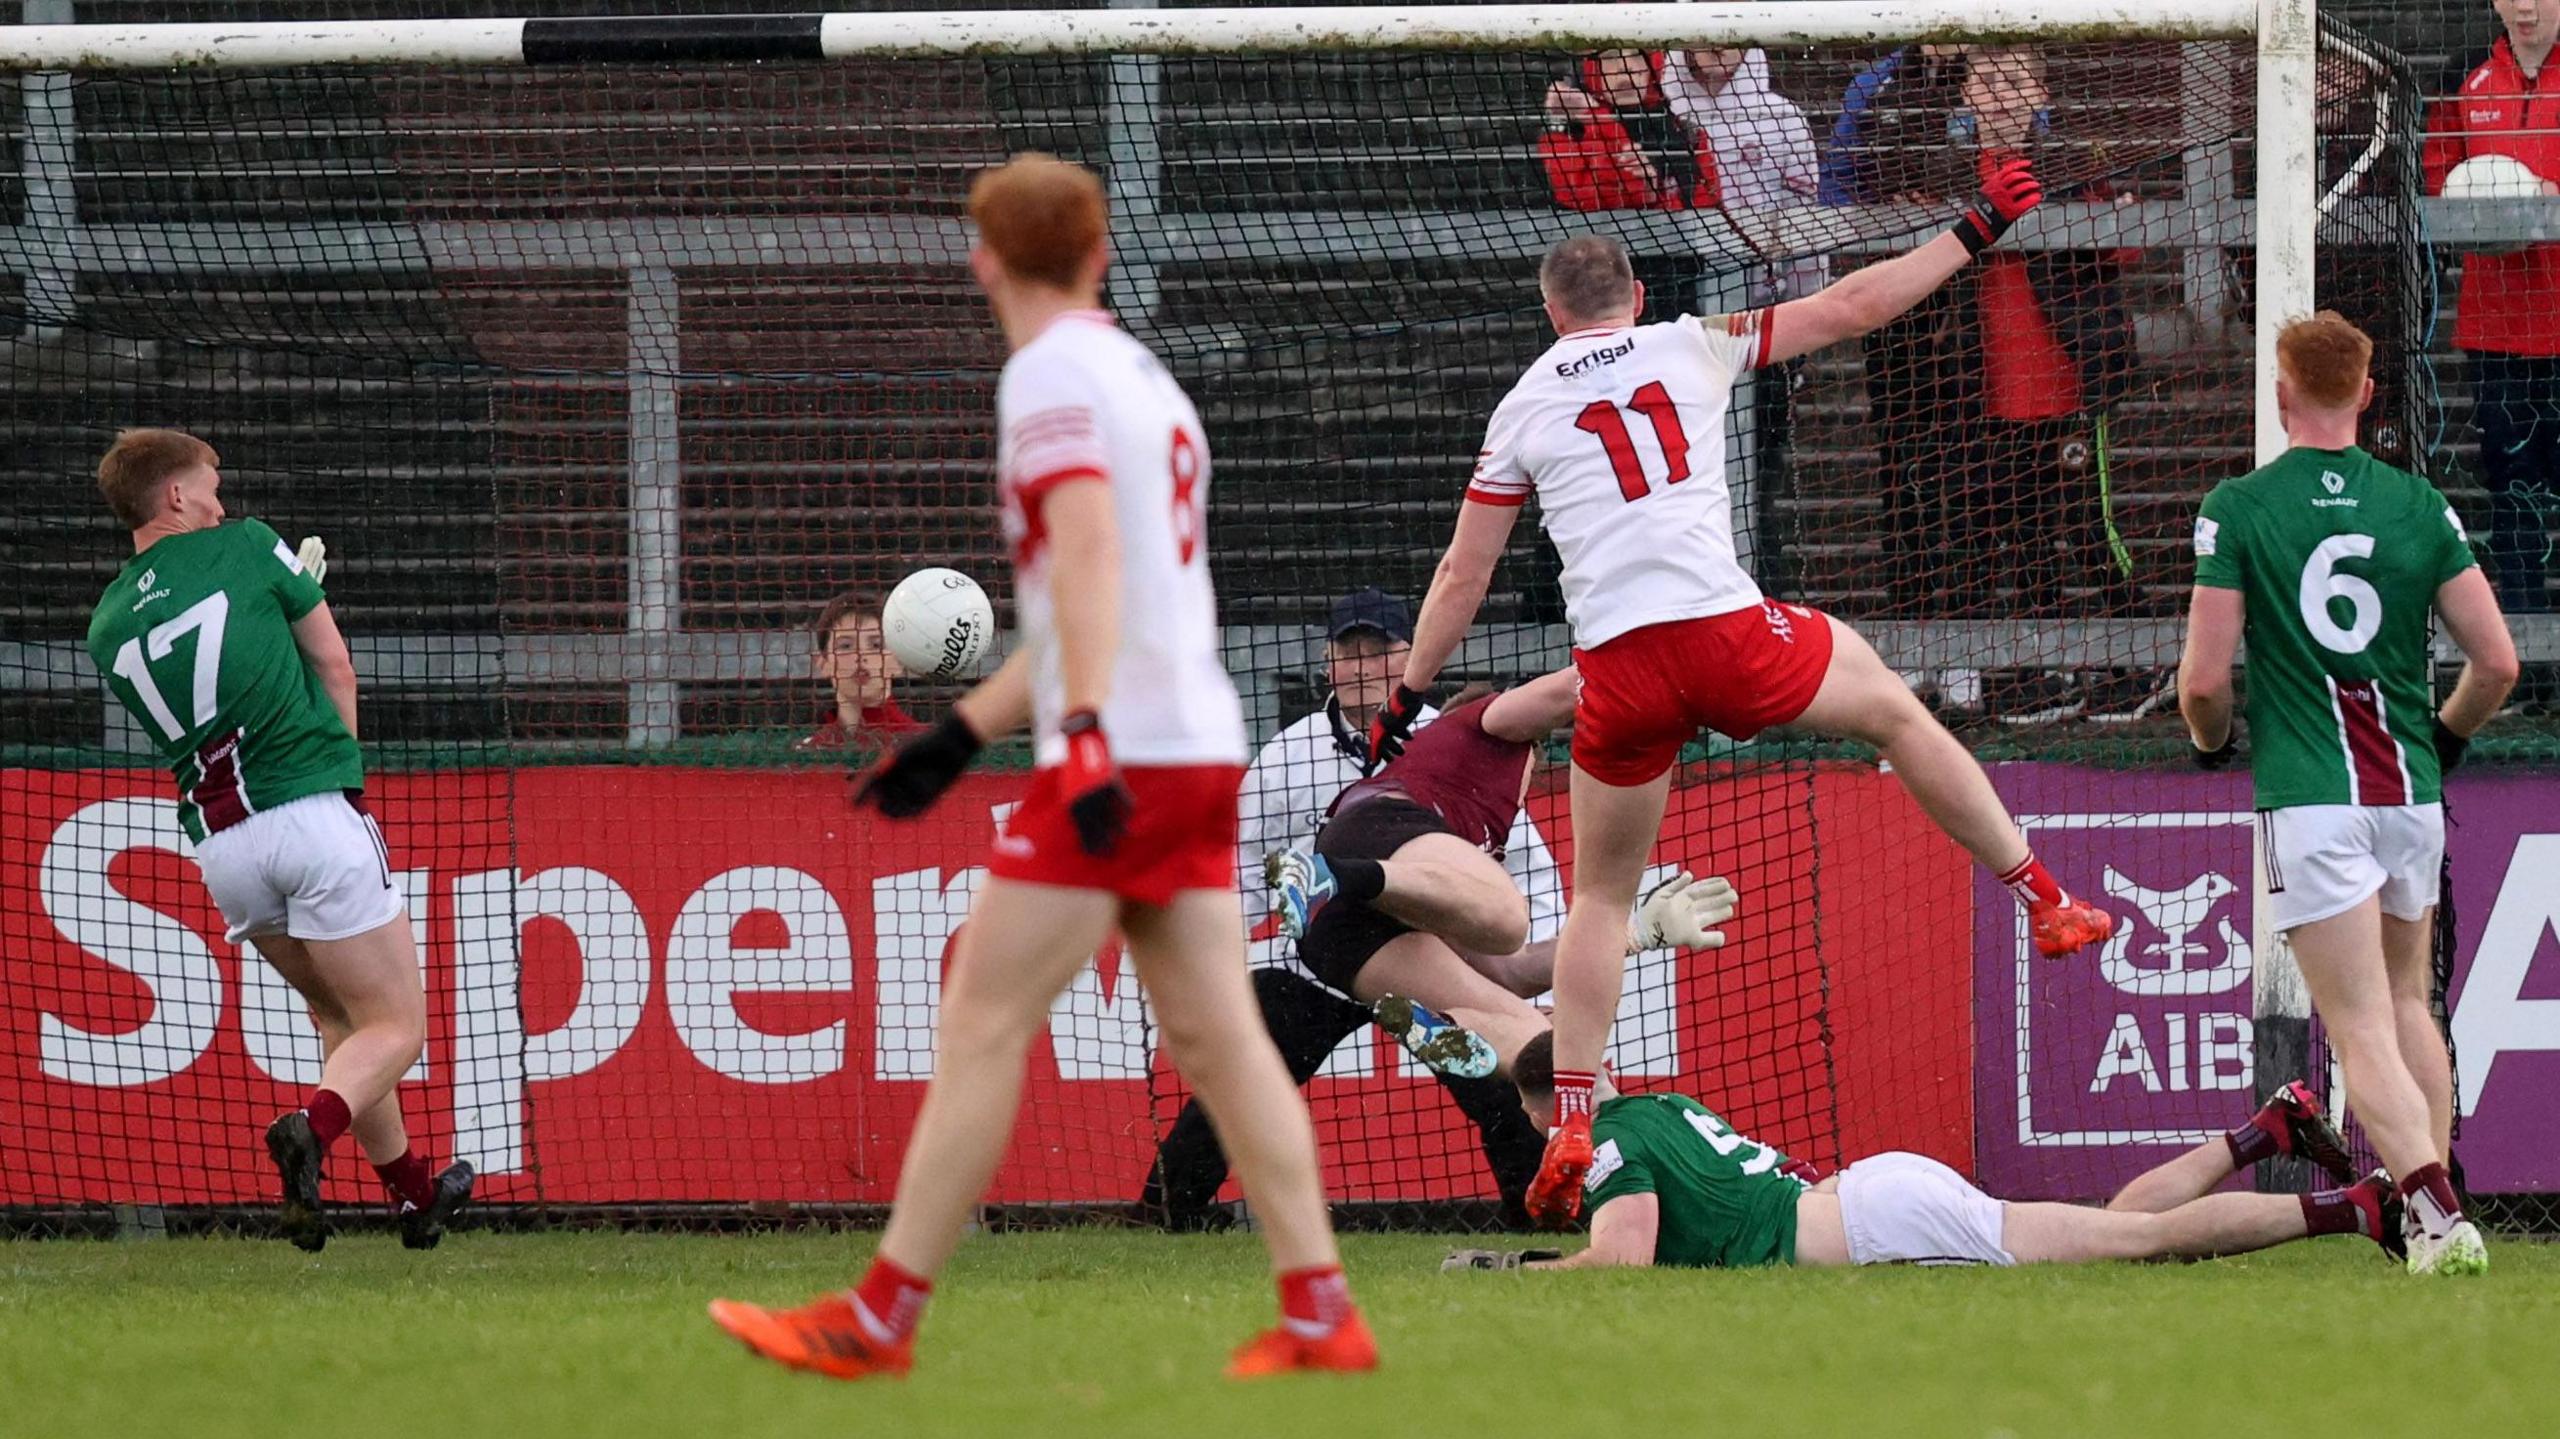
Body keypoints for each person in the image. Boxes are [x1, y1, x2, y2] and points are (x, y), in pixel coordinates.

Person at [707, 154, 1374, 1379]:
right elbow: (1098, 596)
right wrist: (962, 731)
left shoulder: (1051, 371)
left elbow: (1084, 565)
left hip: (1121, 747)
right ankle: (1322, 1306)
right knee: (1221, 1036)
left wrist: (1072, 740)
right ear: (1101, 252)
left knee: (980, 1013)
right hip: (1190, 739)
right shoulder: (1139, 376)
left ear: (982, 260)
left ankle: (880, 1316)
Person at [1383, 167, 2116, 1227]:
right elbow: (1857, 304)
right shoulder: (1690, 337)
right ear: (1633, 295)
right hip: (1728, 636)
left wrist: (1409, 692)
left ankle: (1577, 1116)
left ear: (1551, 313)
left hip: (1619, 672)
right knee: (1895, 711)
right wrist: (1975, 225)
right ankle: (2044, 896)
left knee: (1598, 896)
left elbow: (1462, 573)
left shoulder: (1523, 403)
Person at [2175, 313, 2519, 1276]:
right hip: (2407, 792)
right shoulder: (2417, 505)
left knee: (2359, 1020)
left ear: (2280, 394)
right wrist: (2444, 736)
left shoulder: (2238, 506)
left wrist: (2214, 744)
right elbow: (2496, 662)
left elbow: (2203, 683)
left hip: (2311, 796)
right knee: (2412, 1005)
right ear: (2368, 396)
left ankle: (2439, 1218)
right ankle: (2437, 1205)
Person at [1147, 671, 1737, 1229]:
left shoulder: (1480, 846)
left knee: (1537, 1044)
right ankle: (1335, 877)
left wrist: (1635, 933)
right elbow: (1571, 685)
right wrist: (1667, 675)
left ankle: (1465, 1046)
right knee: (1506, 921)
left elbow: (1515, 972)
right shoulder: (1483, 724)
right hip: (1361, 855)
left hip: (1346, 937)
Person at [82, 428, 473, 1252]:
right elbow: (336, 669)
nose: (222, 502)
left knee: (342, 1018)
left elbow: (215, 666)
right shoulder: (250, 545)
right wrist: (348, 786)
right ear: (176, 498)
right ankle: (308, 1127)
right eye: (210, 486)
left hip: (224, 848)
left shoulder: (108, 622)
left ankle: (413, 1195)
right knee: (399, 1028)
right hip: (310, 813)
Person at [1149, 589, 1562, 1229]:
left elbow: (1517, 866)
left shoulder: (1454, 738)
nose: (1363, 665)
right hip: (1319, 959)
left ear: (1411, 658)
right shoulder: (1287, 754)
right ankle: (1167, 1215)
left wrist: (1533, 972)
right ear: (1325, 662)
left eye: (1381, 650)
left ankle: (1541, 1218)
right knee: (1243, 1077)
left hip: (1420, 958)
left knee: (1502, 1081)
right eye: (1349, 650)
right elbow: (1242, 876)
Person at [1459, 1033, 2399, 1272]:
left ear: (1550, 1113)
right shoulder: (1652, 1101)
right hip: (1871, 1197)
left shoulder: (1609, 1140)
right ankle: (2263, 1135)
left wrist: (1522, 1265)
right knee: (2110, 1231)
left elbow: (1624, 1255)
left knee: (2131, 1244)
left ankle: (2356, 1207)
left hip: (1873, 1220)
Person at [2425, 0, 2560, 617]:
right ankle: (2527, 659)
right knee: (2513, 494)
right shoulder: (2463, 73)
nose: (2525, 7)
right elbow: (2439, 177)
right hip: (2498, 331)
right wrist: (2473, 210)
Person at [794, 588, 922, 753]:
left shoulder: (922, 748)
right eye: (845, 646)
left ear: (897, 661)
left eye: (876, 645)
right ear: (823, 663)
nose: (861, 655)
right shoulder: (809, 750)